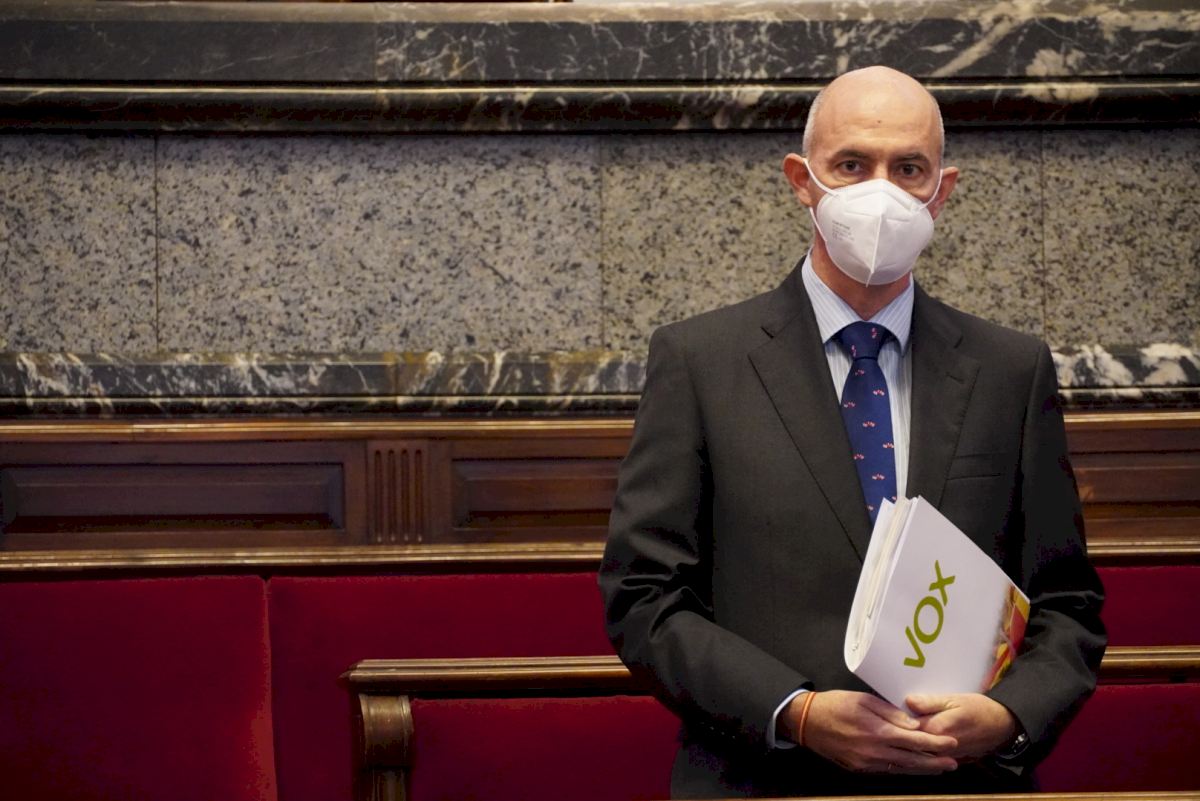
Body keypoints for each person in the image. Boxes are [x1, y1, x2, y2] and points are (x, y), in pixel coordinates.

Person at [598, 66, 1106, 798]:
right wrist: (796, 712)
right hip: (764, 779)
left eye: (908, 169)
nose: (881, 191)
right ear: (802, 181)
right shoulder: (699, 361)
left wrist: (1006, 716)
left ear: (942, 191)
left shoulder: (1011, 369)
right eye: (851, 165)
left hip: (957, 782)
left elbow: (1067, 605)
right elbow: (645, 597)